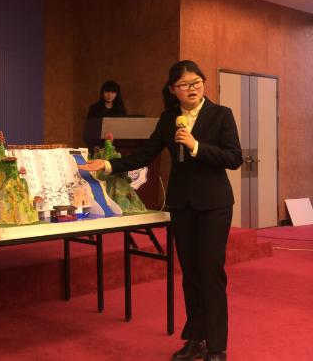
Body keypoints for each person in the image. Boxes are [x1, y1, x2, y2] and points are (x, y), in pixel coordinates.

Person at [79, 60, 242, 361]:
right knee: (190, 273)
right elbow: (146, 154)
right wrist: (109, 164)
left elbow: (234, 158)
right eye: (184, 85)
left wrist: (195, 145)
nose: (191, 88)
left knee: (210, 273)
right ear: (172, 90)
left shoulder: (221, 115)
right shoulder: (169, 119)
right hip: (182, 205)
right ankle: (195, 339)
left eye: (196, 82)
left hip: (214, 205)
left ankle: (217, 347)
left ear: (203, 83)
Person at [85, 81, 127, 153]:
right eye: (107, 91)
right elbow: (89, 130)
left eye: (112, 92)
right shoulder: (94, 108)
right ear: (102, 92)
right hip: (98, 147)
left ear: (117, 94)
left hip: (117, 147)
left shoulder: (120, 109)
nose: (109, 95)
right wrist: (94, 146)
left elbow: (124, 129)